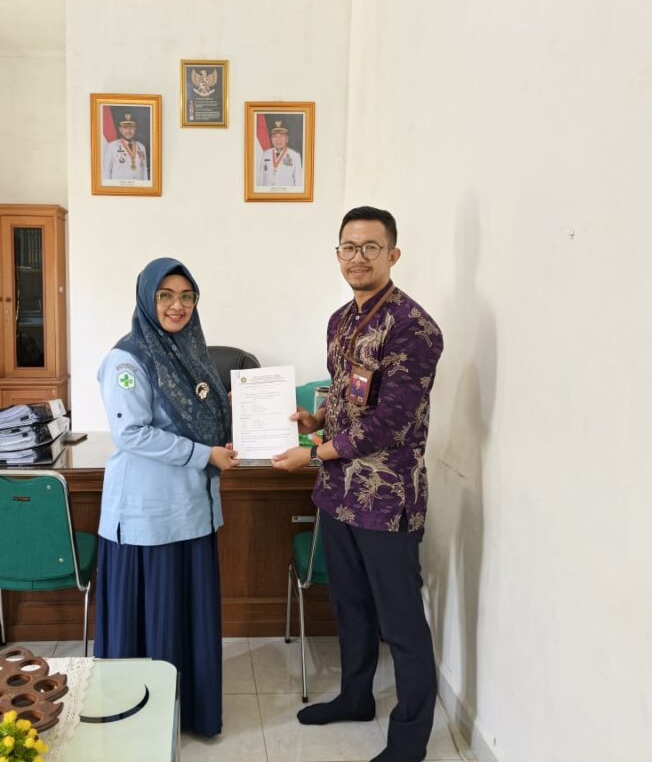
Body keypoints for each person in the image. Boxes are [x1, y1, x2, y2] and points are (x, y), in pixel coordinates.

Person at [272, 206, 443, 762]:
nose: (358, 258)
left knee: (401, 621)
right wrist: (316, 419)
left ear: (393, 254)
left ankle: (409, 741)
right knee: (349, 604)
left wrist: (312, 452)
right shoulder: (341, 320)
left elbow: (389, 421)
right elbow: (350, 394)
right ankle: (355, 696)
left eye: (371, 247)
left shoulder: (414, 328)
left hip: (387, 501)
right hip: (338, 494)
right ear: (338, 254)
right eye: (349, 247)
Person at [95, 257, 238, 738]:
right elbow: (131, 433)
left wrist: (236, 410)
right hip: (148, 518)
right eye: (165, 296)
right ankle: (139, 723)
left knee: (186, 620)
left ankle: (190, 713)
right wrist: (205, 453)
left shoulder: (190, 353)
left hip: (192, 512)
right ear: (147, 299)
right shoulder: (128, 359)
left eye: (187, 296)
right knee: (153, 620)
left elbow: (202, 411)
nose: (178, 306)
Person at [255, 119, 303, 188]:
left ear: (287, 139)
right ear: (271, 139)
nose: (278, 139)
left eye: (282, 136)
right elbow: (260, 180)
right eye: (275, 136)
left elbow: (299, 183)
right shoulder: (265, 154)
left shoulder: (295, 156)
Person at [103, 112, 149, 181]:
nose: (128, 131)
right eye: (125, 127)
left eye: (131, 127)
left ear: (135, 129)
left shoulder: (141, 146)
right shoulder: (112, 146)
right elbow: (106, 171)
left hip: (138, 185)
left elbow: (144, 170)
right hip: (119, 186)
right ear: (120, 129)